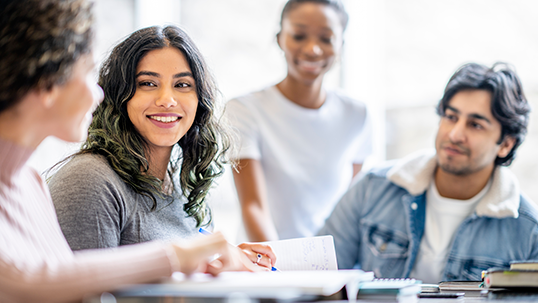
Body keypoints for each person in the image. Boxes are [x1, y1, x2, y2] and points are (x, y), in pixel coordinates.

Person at [0, 1, 270, 302]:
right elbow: (31, 281)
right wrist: (179, 256)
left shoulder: (28, 182)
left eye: (183, 84)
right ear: (47, 81)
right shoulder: (87, 179)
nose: (97, 93)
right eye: (88, 72)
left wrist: (210, 263)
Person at [47, 25, 276, 266]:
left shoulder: (181, 186)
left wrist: (221, 263)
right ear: (118, 95)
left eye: (182, 85)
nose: (167, 100)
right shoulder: (90, 180)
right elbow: (82, 293)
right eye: (147, 83)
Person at [318, 62, 538, 282]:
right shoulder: (372, 188)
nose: (455, 134)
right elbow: (318, 276)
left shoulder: (529, 233)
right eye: (451, 117)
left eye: (475, 125)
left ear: (506, 144)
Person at [226, 0, 372, 241]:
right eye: (299, 35)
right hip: (266, 263)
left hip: (333, 264)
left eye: (326, 38)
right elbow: (253, 207)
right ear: (280, 39)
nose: (312, 49)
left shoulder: (357, 115)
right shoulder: (244, 109)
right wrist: (280, 271)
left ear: (341, 45)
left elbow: (351, 211)